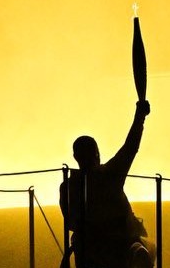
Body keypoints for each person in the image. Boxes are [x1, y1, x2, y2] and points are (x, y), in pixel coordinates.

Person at [59, 100, 154, 268]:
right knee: (148, 250)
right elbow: (131, 147)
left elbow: (70, 223)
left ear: (75, 157)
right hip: (121, 249)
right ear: (97, 154)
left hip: (88, 252)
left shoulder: (67, 186)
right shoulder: (110, 175)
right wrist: (140, 117)